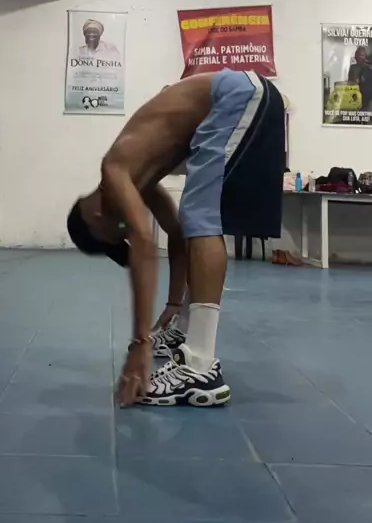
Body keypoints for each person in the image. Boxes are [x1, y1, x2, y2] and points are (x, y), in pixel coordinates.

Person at [67, 69, 284, 408]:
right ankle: (184, 331)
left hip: (234, 96)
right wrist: (171, 304)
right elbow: (177, 233)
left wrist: (140, 344)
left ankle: (199, 366)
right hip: (245, 94)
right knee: (194, 217)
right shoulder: (140, 178)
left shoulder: (114, 169)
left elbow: (143, 244)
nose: (123, 233)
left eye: (114, 238)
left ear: (94, 219)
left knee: (200, 214)